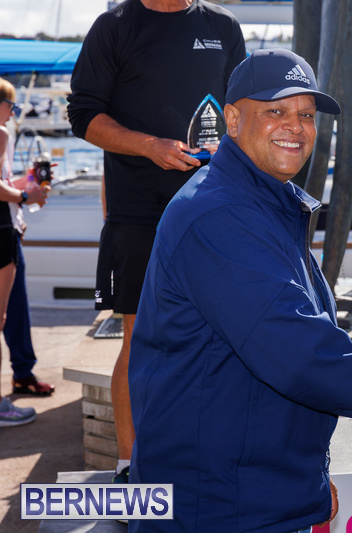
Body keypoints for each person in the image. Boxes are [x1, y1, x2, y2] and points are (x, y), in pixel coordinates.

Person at [127, 49, 352, 532]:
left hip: (248, 490)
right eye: (276, 111)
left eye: (307, 115)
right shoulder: (219, 214)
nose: (295, 127)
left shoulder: (260, 204)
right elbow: (294, 348)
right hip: (214, 506)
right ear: (232, 120)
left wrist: (306, 482)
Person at [66, 0, 246, 482]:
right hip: (139, 212)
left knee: (218, 338)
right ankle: (131, 469)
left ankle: (206, 460)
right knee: (141, 339)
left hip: (214, 208)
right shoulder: (114, 28)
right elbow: (83, 115)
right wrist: (150, 146)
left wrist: (232, 145)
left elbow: (242, 110)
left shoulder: (222, 25)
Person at [0, 79, 50, 427]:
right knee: (2, 316)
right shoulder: (1, 133)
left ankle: (22, 373)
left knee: (10, 311)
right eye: (12, 106)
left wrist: (25, 185)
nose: (13, 114)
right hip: (2, 233)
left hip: (7, 227)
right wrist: (24, 197)